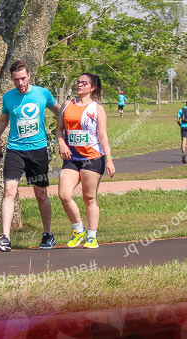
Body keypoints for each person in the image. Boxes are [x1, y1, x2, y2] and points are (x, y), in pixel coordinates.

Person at [0, 60, 60, 253]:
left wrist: (66, 132)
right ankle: (5, 238)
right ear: (12, 79)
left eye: (22, 78)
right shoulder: (8, 97)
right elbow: (3, 120)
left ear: (29, 76)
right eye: (16, 79)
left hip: (38, 150)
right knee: (9, 190)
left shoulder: (42, 93)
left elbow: (59, 111)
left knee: (41, 194)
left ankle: (48, 235)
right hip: (15, 150)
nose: (20, 82)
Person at [57, 73, 116, 249]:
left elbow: (103, 136)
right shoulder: (67, 105)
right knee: (64, 194)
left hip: (92, 157)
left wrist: (109, 159)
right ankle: (78, 229)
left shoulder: (97, 109)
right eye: (78, 82)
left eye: (84, 83)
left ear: (92, 87)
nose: (80, 85)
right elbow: (59, 130)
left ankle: (92, 236)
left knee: (89, 197)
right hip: (71, 158)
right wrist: (62, 144)